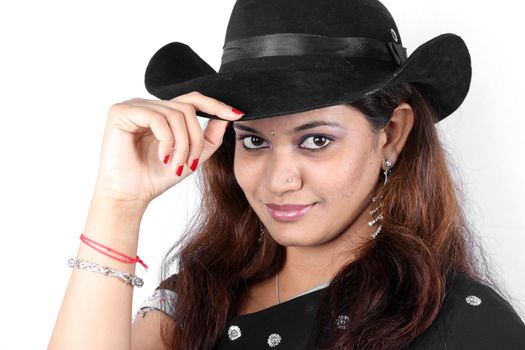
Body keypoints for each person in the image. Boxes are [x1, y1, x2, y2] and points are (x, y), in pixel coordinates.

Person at [49, 0, 525, 349]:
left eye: (316, 140)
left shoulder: (462, 326)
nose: (279, 180)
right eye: (254, 141)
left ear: (392, 134)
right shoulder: (197, 302)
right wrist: (117, 205)